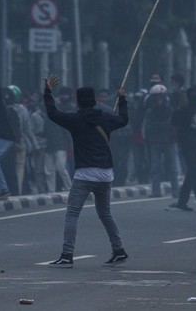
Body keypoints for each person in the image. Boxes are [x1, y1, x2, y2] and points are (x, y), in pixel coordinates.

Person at [44, 74, 129, 268]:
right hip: (106, 174)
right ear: (95, 100)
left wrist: (48, 92)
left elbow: (52, 113)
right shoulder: (106, 118)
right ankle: (119, 250)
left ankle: (66, 255)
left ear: (78, 102)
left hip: (85, 174)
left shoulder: (74, 119)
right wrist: (122, 99)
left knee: (72, 214)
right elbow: (123, 120)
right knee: (105, 213)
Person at [168, 86, 196, 212]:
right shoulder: (184, 111)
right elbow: (174, 122)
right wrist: (179, 107)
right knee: (193, 172)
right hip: (187, 147)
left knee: (191, 174)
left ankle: (182, 202)